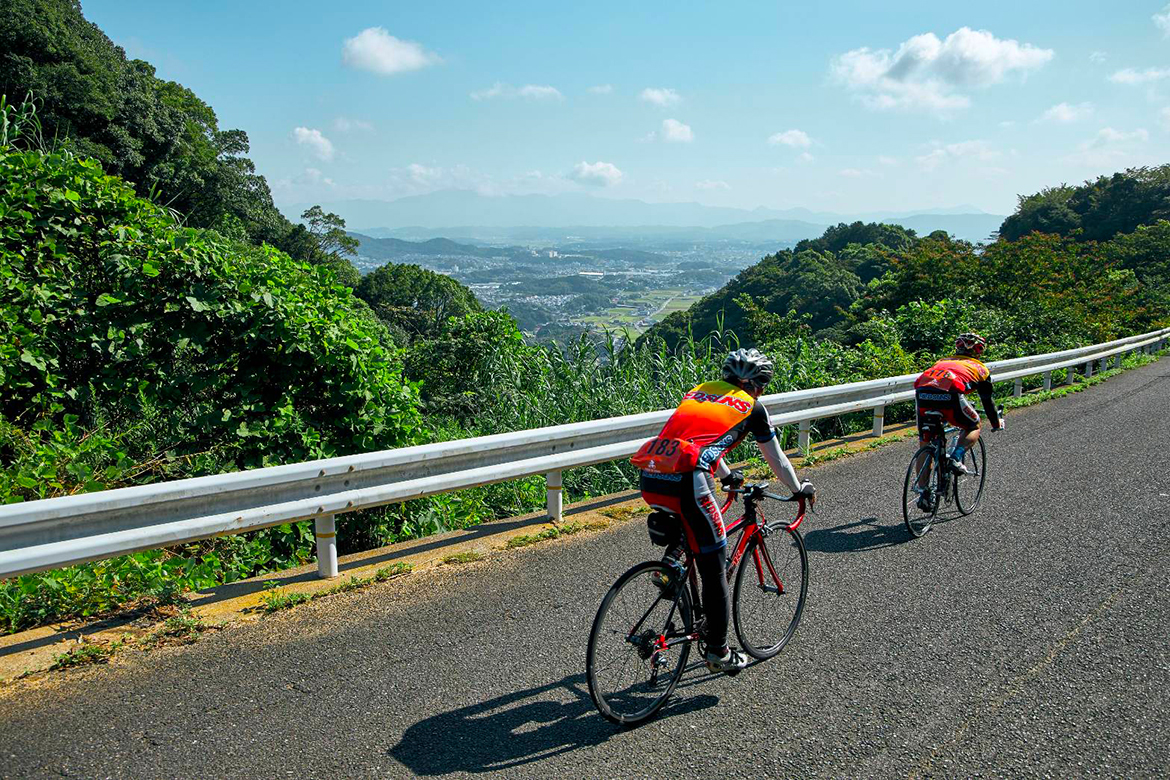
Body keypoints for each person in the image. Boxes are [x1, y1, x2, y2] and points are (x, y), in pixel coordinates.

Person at [631, 348, 815, 674]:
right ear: (759, 386)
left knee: (692, 531)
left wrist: (728, 476)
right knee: (715, 566)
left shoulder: (701, 392)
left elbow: (698, 441)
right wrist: (797, 489)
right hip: (687, 480)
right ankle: (718, 650)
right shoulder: (753, 407)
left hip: (652, 473)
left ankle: (671, 565)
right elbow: (776, 458)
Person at [912, 332, 1004, 512]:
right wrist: (995, 423)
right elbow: (987, 400)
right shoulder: (980, 368)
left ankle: (923, 492)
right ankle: (955, 458)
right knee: (972, 425)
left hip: (922, 394)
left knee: (925, 442)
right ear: (979, 351)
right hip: (950, 395)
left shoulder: (941, 362)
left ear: (957, 347)